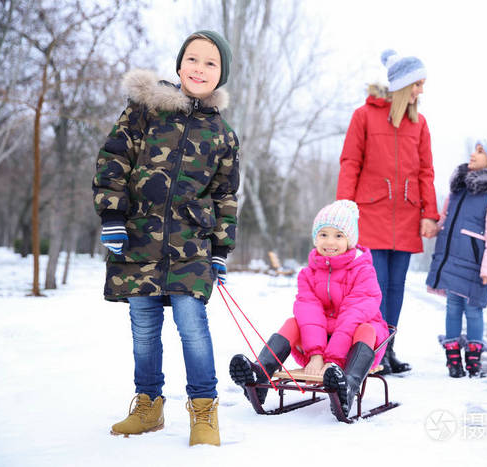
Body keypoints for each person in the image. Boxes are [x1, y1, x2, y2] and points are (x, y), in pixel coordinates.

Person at [92, 30, 240, 446]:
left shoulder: (223, 135)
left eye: (211, 63)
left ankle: (204, 410)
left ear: (220, 75)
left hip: (192, 245)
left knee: (192, 326)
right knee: (143, 327)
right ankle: (148, 405)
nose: (199, 68)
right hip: (138, 236)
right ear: (179, 66)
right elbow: (114, 158)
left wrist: (221, 249)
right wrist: (113, 214)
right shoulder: (145, 111)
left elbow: (225, 195)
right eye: (193, 59)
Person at [229, 200, 389, 417]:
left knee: (366, 328)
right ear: (315, 238)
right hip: (319, 349)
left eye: (339, 235)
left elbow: (352, 317)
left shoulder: (364, 271)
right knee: (293, 322)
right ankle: (260, 374)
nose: (330, 242)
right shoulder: (309, 274)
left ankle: (347, 388)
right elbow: (309, 314)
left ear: (350, 240)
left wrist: (333, 360)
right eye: (323, 234)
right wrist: (316, 355)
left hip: (353, 348)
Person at [337, 49, 439, 374]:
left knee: (396, 285)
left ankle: (388, 349)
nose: (421, 91)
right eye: (418, 84)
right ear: (403, 84)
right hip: (370, 214)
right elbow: (350, 163)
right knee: (375, 285)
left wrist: (429, 214)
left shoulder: (419, 123)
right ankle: (370, 352)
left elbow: (426, 172)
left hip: (407, 215)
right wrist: (344, 209)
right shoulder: (363, 117)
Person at [426, 138, 487, 378]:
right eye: (474, 150)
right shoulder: (459, 187)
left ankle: (474, 362)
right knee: (452, 307)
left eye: (480, 152)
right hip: (452, 257)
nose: (473, 154)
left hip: (475, 264)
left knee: (474, 309)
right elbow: (446, 215)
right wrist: (436, 226)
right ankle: (453, 359)